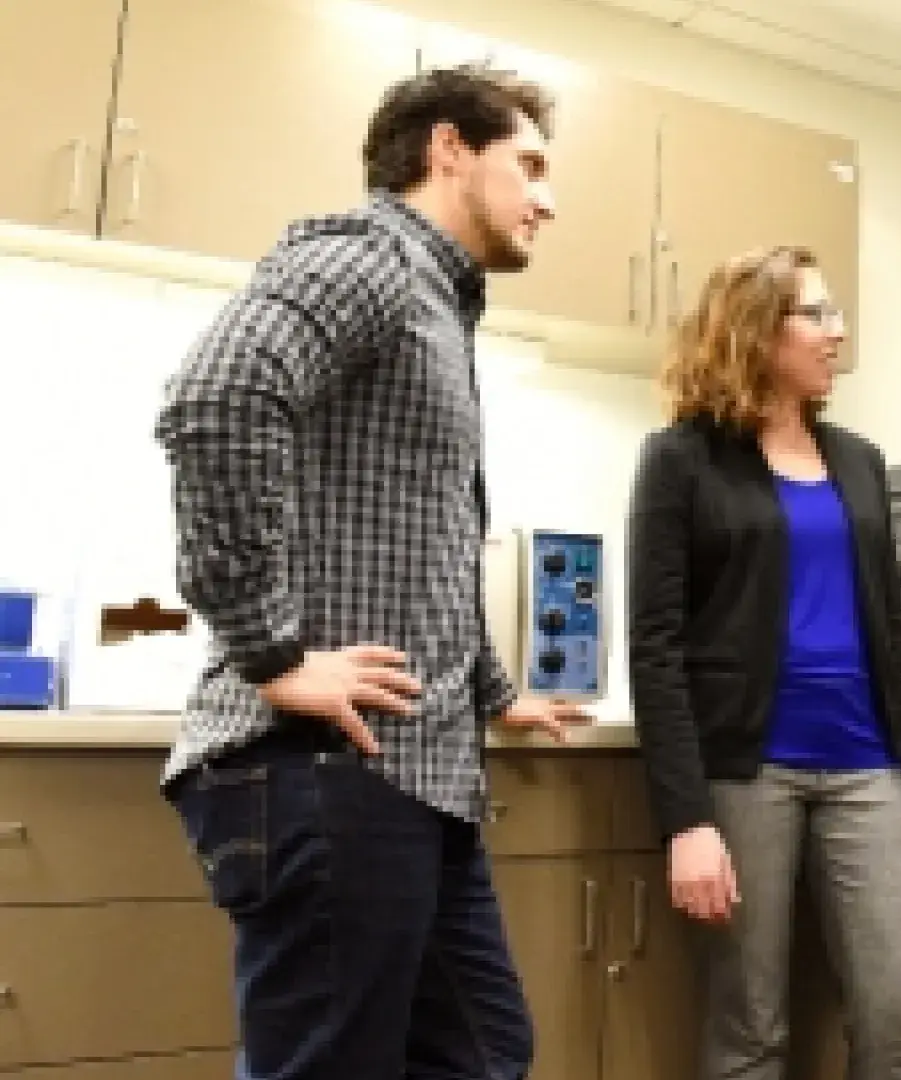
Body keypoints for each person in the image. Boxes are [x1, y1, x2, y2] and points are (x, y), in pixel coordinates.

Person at [154, 64, 587, 1080]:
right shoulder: (369, 259)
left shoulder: (438, 306)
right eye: (529, 165)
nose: (549, 200)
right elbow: (217, 399)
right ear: (449, 149)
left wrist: (494, 693)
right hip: (326, 769)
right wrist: (269, 651)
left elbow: (424, 541)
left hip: (408, 777)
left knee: (483, 1054)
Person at [626, 245, 901, 1080]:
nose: (839, 333)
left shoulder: (859, 462)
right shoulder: (681, 459)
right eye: (818, 314)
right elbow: (654, 646)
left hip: (867, 763)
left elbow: (890, 634)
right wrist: (686, 821)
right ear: (759, 330)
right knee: (750, 1026)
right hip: (745, 769)